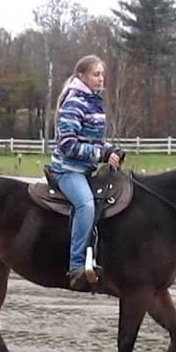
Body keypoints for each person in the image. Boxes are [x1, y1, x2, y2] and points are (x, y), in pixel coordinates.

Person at [49, 55, 124, 290]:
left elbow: (93, 140)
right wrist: (101, 155)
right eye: (96, 74)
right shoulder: (74, 103)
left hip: (86, 170)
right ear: (81, 76)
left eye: (102, 74)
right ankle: (77, 265)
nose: (101, 78)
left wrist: (111, 150)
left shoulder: (93, 102)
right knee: (86, 205)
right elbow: (68, 145)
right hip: (68, 170)